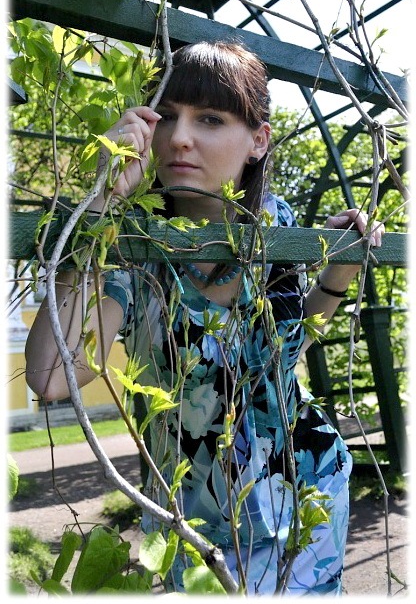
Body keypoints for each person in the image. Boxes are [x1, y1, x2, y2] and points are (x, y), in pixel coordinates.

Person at [25, 40, 384, 595]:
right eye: (166, 117)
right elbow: (52, 377)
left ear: (258, 141)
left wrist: (337, 274)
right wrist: (100, 206)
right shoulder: (132, 249)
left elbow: (285, 351)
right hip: (193, 522)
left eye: (210, 118)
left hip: (307, 492)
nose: (179, 138)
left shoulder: (275, 224)